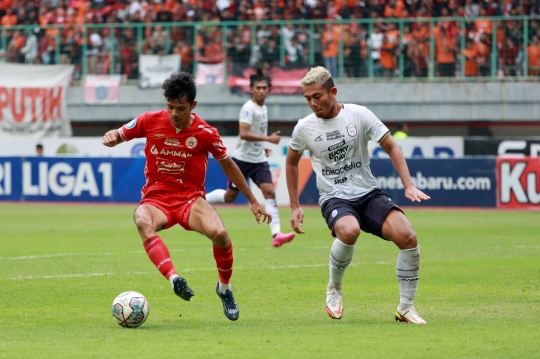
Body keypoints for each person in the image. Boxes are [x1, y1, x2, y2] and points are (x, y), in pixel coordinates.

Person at [102, 72, 271, 321]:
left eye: (180, 108)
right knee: (142, 220)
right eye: (170, 107)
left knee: (221, 235)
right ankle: (174, 280)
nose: (173, 113)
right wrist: (112, 137)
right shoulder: (149, 120)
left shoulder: (205, 132)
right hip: (157, 198)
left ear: (193, 105)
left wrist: (253, 200)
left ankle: (224, 288)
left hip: (190, 200)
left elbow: (229, 165)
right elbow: (120, 133)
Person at [286, 66, 430, 323]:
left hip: (368, 193)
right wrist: (295, 205)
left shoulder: (359, 115)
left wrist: (408, 185)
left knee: (408, 236)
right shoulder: (304, 128)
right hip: (334, 197)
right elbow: (291, 163)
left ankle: (406, 308)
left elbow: (391, 146)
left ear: (333, 92)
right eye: (307, 98)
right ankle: (334, 288)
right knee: (349, 230)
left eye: (317, 96)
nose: (312, 103)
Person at [206, 69, 296, 248]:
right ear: (251, 89)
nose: (262, 90)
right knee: (230, 196)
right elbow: (244, 133)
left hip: (258, 159)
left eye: (264, 87)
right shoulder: (248, 108)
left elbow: (255, 134)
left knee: (269, 192)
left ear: (269, 89)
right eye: (258, 88)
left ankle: (276, 234)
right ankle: (200, 201)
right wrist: (268, 139)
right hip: (242, 160)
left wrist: (262, 147)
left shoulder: (263, 108)